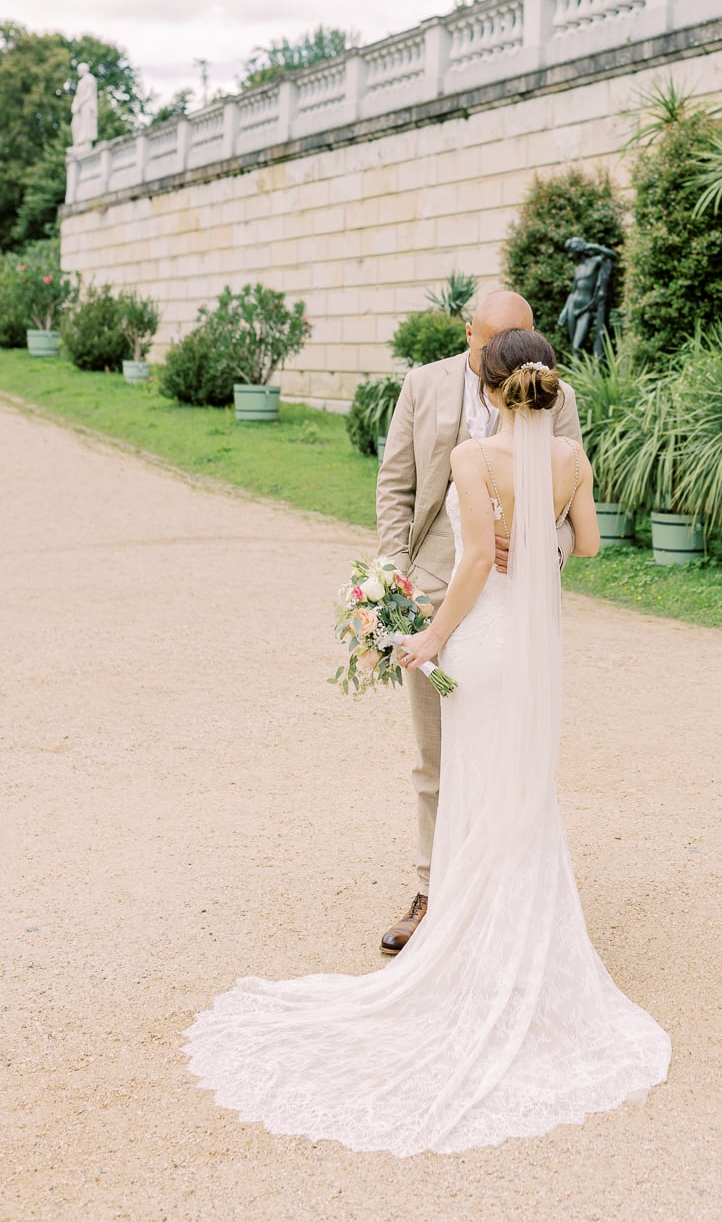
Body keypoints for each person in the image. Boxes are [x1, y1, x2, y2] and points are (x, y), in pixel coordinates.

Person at [185, 327, 670, 1154]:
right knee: (522, 788)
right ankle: (523, 958)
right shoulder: (569, 462)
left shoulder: (478, 461)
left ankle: (472, 957)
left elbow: (475, 560)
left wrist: (427, 640)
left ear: (488, 386)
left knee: (473, 790)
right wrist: (543, 547)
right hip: (534, 649)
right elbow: (586, 543)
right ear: (548, 389)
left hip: (479, 643)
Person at [375, 289, 581, 954]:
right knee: (438, 752)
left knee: (510, 750)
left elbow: (572, 516)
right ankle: (431, 889)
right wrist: (391, 581)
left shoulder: (557, 393)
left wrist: (542, 548)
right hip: (435, 584)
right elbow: (396, 485)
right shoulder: (422, 382)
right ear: (469, 333)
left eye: (522, 337)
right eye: (494, 340)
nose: (510, 353)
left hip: (510, 598)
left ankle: (502, 899)